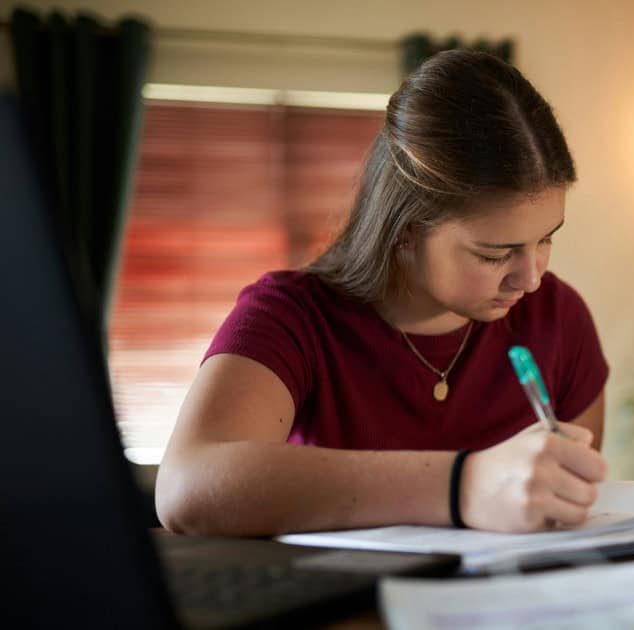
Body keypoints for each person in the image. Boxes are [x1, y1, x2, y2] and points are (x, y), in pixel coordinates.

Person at [155, 50, 609, 537]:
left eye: (546, 239)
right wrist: (463, 487)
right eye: (495, 255)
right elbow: (187, 490)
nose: (531, 278)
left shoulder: (558, 317)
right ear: (407, 231)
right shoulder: (293, 316)